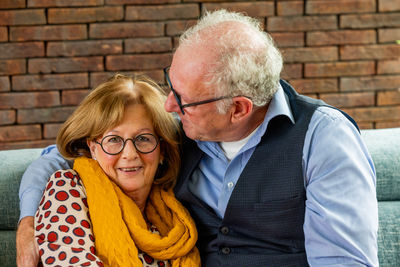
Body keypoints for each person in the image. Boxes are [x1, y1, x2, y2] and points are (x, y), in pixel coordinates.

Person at [17, 9, 378, 266]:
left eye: (184, 99)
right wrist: (27, 223)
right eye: (171, 85)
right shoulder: (180, 127)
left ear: (238, 108)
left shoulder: (323, 140)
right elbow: (63, 155)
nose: (170, 104)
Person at [19, 74, 200, 266]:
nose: (130, 154)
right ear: (93, 148)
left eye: (143, 139)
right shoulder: (67, 189)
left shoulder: (175, 213)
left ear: (162, 150)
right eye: (114, 140)